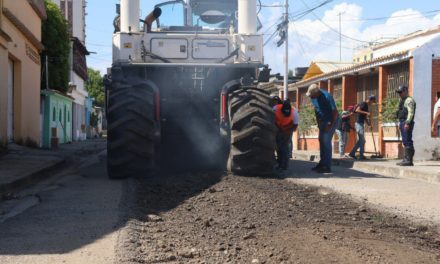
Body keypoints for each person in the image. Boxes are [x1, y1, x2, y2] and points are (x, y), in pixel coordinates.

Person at [307, 84, 339, 173]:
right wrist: (318, 123)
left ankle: (327, 166)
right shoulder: (313, 97)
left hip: (332, 120)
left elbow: (335, 112)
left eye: (312, 95)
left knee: (326, 141)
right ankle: (322, 163)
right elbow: (316, 110)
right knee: (321, 140)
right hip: (323, 121)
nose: (310, 97)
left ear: (317, 92)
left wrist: (330, 125)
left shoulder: (327, 96)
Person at [348, 95, 376, 160]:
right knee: (362, 140)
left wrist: (369, 124)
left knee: (361, 141)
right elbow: (357, 110)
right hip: (358, 124)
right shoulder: (363, 103)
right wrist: (367, 112)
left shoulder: (366, 106)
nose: (372, 103)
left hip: (361, 123)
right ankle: (361, 155)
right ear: (370, 100)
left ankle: (352, 153)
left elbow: (365, 117)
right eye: (372, 102)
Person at [274, 99, 298, 170]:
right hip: (277, 128)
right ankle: (279, 162)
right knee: (278, 146)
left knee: (285, 147)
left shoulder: (294, 112)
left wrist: (288, 131)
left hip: (287, 130)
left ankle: (284, 165)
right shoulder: (276, 108)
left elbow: (295, 125)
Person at [396, 85, 416, 166]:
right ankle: (406, 158)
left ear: (405, 91)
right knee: (404, 141)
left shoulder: (409, 100)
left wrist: (407, 123)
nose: (399, 94)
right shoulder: (402, 100)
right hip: (402, 122)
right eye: (398, 92)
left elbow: (411, 112)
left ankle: (409, 160)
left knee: (408, 140)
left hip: (406, 122)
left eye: (400, 92)